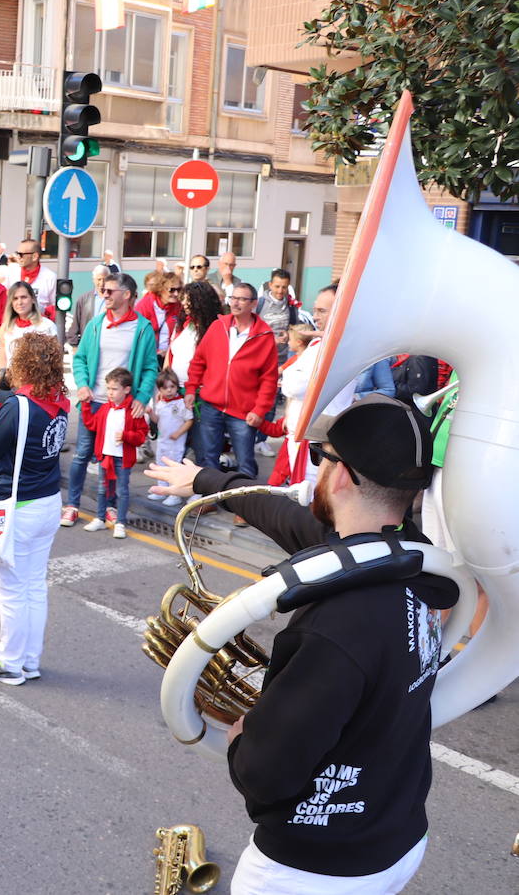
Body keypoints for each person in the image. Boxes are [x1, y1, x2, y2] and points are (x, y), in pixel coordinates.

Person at [146, 396, 455, 894]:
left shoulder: (332, 629)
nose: (317, 471)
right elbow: (288, 520)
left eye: (321, 457)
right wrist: (207, 482)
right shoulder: (415, 564)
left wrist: (245, 735)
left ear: (342, 475)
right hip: (397, 833)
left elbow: (264, 777)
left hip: (314, 869)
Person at [0, 333, 69, 684]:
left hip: (17, 507)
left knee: (10, 588)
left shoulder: (18, 406)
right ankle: (29, 660)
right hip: (47, 501)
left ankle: (9, 663)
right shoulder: (58, 400)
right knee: (34, 585)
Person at [63, 273, 158, 526]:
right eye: (102, 290)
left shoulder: (142, 328)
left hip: (122, 406)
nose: (103, 294)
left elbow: (150, 367)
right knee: (83, 453)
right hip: (94, 401)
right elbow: (80, 358)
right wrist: (82, 385)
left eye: (109, 291)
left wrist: (141, 397)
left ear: (126, 295)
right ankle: (72, 504)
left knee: (115, 459)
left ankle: (110, 507)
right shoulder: (95, 324)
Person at [183, 281, 279, 479]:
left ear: (254, 304)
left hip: (244, 411)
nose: (235, 303)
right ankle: (207, 500)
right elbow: (198, 360)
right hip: (212, 405)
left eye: (242, 299)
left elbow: (269, 379)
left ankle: (244, 507)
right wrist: (191, 389)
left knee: (245, 461)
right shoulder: (218, 326)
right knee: (208, 457)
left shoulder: (264, 335)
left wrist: (260, 410)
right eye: (233, 298)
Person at [80, 367, 149, 539]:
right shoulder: (105, 409)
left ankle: (120, 522)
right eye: (108, 388)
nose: (110, 393)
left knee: (122, 491)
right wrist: (86, 405)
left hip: (123, 458)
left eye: (114, 389)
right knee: (103, 489)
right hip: (106, 456)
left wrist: (126, 436)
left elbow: (141, 436)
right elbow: (92, 425)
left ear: (126, 389)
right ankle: (100, 518)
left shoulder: (133, 411)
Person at [146, 369, 193, 506]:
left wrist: (178, 433)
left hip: (176, 442)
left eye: (172, 387)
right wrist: (150, 413)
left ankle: (175, 494)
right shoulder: (161, 404)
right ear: (160, 389)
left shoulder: (180, 404)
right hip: (163, 441)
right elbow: (157, 420)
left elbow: (189, 420)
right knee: (161, 465)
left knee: (175, 466)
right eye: (165, 388)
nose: (169, 391)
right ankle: (162, 490)